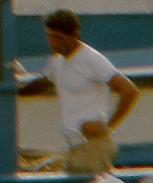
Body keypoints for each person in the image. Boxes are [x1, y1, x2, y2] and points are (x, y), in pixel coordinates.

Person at [36, 9, 139, 173]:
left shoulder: (91, 60)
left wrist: (107, 127)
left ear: (74, 34)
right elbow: (42, 83)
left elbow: (130, 91)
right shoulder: (57, 61)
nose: (53, 42)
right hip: (75, 146)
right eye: (49, 36)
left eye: (58, 38)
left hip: (93, 146)